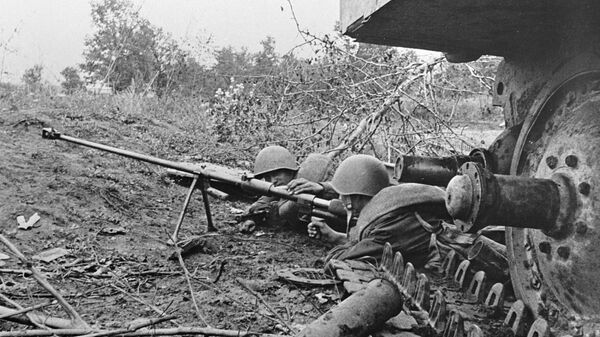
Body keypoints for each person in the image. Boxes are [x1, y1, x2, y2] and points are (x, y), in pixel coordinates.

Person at [308, 154, 450, 268]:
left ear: (355, 197)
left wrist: (338, 245)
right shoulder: (393, 205)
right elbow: (367, 244)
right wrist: (335, 237)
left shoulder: (386, 227)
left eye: (342, 194)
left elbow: (339, 259)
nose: (340, 198)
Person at [240, 145, 337, 232]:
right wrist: (251, 219)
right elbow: (262, 202)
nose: (273, 180)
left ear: (290, 170)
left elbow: (340, 191)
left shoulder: (309, 177)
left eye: (276, 174)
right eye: (268, 177)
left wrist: (321, 188)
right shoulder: (280, 188)